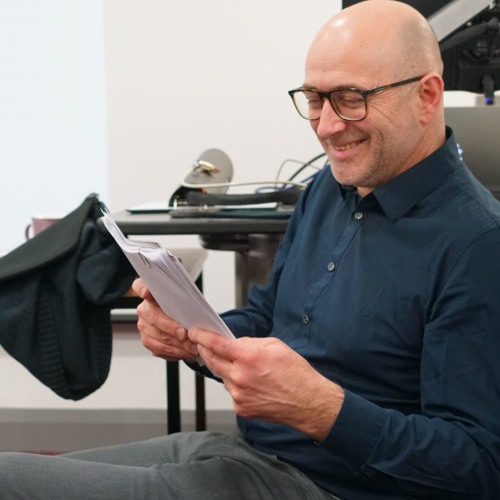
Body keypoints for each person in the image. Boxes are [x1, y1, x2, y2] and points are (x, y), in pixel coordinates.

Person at [1, 1, 499, 498]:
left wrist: (324, 410)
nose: (326, 125)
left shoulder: (476, 245)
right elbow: (268, 317)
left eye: (351, 99)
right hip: (246, 453)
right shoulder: (329, 189)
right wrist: (193, 336)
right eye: (314, 99)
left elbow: (478, 465)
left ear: (427, 96)